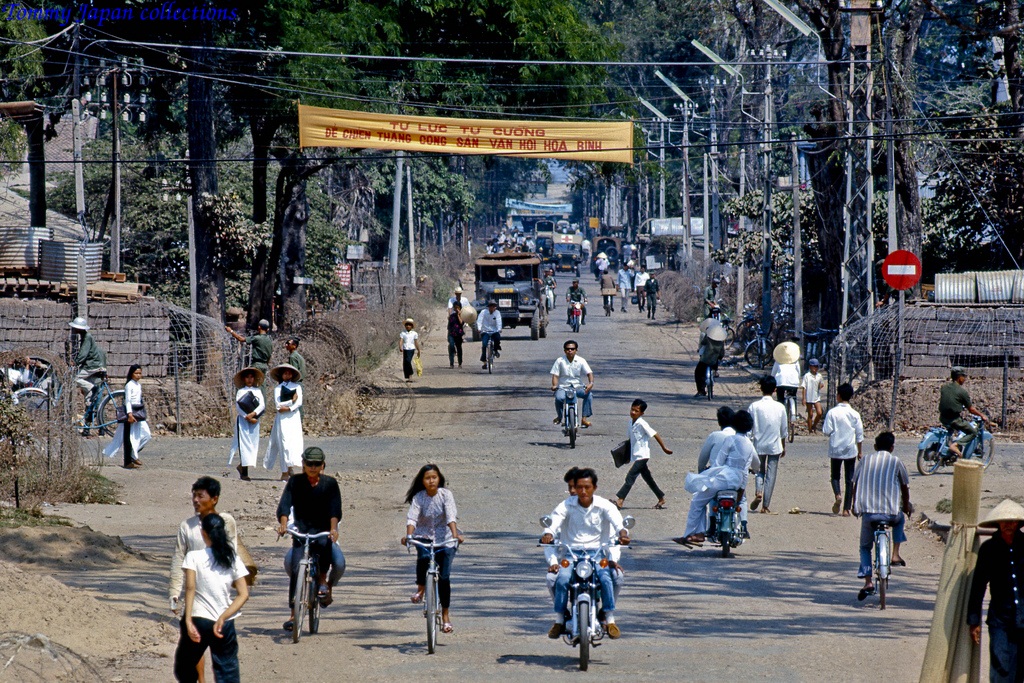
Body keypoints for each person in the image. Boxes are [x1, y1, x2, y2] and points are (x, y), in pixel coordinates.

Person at [541, 468, 629, 639]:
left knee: (608, 577)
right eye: (578, 487)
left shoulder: (605, 506)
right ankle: (559, 619)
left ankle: (609, 618)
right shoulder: (566, 505)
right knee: (561, 578)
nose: (582, 491)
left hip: (597, 555)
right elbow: (554, 521)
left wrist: (623, 534)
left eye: (586, 487)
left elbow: (618, 524)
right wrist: (548, 533)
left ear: (594, 487)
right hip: (570, 555)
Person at [170, 477, 240, 683]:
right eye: (194, 495)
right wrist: (174, 592)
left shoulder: (226, 522)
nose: (195, 500)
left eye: (201, 496)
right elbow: (178, 559)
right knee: (193, 650)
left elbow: (232, 554)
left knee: (221, 659)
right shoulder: (187, 527)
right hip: (195, 597)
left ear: (214, 499)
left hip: (218, 595)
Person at [276, 446, 345, 630]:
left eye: (316, 464)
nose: (313, 467)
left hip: (323, 531)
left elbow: (334, 510)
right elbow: (285, 505)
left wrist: (333, 529)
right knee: (296, 566)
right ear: (303, 464)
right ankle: (293, 614)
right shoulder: (295, 482)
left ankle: (323, 580)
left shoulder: (330, 484)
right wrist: (283, 525)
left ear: (323, 465)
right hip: (302, 531)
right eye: (309, 464)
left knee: (334, 558)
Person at [677, 410, 760, 546]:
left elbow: (719, 462)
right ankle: (740, 527)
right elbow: (756, 464)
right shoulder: (750, 445)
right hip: (738, 482)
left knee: (698, 500)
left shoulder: (731, 439)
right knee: (740, 502)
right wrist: (750, 476)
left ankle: (694, 534)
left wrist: (710, 475)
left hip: (724, 477)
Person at [401, 464, 465, 634]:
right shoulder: (419, 497)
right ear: (422, 481)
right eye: (427, 478)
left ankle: (445, 616)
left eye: (434, 477)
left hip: (445, 539)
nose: (431, 481)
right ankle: (421, 590)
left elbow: (451, 515)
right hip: (424, 537)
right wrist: (409, 536)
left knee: (444, 578)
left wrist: (455, 535)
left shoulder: (446, 495)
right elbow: (412, 518)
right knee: (422, 558)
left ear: (439, 479)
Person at [967, 499, 1024, 683]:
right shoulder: (989, 549)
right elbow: (978, 585)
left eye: (1013, 521)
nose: (1009, 525)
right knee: (1001, 669)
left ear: (1018, 523)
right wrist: (973, 620)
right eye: (1005, 521)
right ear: (998, 523)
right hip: (1000, 620)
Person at [851, 431, 911, 601]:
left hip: (869, 513)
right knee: (900, 519)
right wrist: (906, 507)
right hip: (891, 513)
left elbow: (854, 484)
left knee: (865, 547)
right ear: (892, 447)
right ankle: (895, 554)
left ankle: (868, 581)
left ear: (875, 446)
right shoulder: (896, 461)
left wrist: (855, 506)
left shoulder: (865, 461)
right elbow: (905, 487)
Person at [613, 399, 672, 510]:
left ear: (642, 413)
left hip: (643, 455)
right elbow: (630, 441)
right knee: (648, 478)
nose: (633, 412)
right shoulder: (630, 423)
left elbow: (655, 434)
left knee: (630, 476)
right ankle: (661, 498)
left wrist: (664, 448)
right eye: (632, 409)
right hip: (636, 455)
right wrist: (626, 456)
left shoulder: (642, 423)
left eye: (636, 411)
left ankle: (620, 500)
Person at [822, 383, 864, 516]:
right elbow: (859, 435)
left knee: (835, 476)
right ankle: (846, 509)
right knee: (849, 478)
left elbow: (826, 431)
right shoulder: (855, 414)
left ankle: (838, 495)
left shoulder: (832, 412)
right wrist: (860, 451)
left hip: (836, 448)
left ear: (838, 396)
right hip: (850, 449)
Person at [748, 376, 788, 514]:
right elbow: (784, 430)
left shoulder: (754, 406)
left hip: (758, 444)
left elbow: (749, 428)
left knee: (759, 471)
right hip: (774, 445)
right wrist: (783, 445)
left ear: (761, 388)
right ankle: (765, 505)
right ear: (775, 390)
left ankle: (758, 491)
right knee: (771, 474)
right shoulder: (780, 407)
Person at [103, 364, 151, 468]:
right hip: (131, 413)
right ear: (131, 374)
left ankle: (133, 454)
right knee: (129, 437)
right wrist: (129, 414)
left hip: (138, 413)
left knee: (147, 435)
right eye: (136, 373)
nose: (138, 375)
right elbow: (128, 401)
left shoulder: (138, 385)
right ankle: (128, 461)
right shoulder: (129, 385)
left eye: (140, 373)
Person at [940, 366, 994, 457]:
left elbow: (949, 400)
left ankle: (949, 448)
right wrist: (982, 415)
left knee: (955, 430)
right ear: (959, 377)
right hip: (954, 420)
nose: (964, 379)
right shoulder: (962, 392)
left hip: (943, 417)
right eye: (963, 377)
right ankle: (955, 445)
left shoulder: (944, 387)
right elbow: (971, 409)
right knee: (973, 432)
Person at [264, 364, 303, 480]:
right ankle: (284, 471)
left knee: (293, 443)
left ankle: (290, 466)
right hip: (282, 419)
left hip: (294, 417)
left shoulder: (297, 387)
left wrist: (290, 408)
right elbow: (278, 405)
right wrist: (291, 401)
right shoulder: (278, 388)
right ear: (281, 375)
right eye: (285, 373)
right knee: (283, 443)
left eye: (289, 373)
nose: (287, 375)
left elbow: (299, 402)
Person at [227, 367, 265, 481]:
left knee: (253, 444)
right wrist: (246, 416)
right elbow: (238, 406)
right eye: (247, 377)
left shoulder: (258, 391)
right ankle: (244, 471)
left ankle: (243, 466)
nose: (249, 379)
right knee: (244, 445)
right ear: (244, 379)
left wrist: (254, 414)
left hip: (254, 420)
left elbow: (262, 405)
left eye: (251, 377)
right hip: (243, 421)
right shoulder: (241, 391)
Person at [68, 317, 107, 422]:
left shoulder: (87, 337)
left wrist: (75, 362)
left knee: (74, 379)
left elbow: (83, 353)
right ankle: (87, 427)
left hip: (92, 366)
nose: (74, 330)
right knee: (89, 399)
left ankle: (92, 388)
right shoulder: (84, 337)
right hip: (91, 366)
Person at [550, 339, 594, 428]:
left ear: (576, 350)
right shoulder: (559, 361)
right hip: (563, 387)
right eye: (568, 349)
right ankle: (559, 416)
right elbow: (555, 375)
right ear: (564, 350)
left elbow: (589, 373)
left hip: (578, 386)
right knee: (558, 398)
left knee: (589, 395)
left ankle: (584, 419)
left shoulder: (581, 360)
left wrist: (591, 383)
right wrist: (555, 385)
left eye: (572, 349)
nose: (570, 351)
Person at [225, 319, 272, 389]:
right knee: (262, 386)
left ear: (259, 327)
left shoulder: (257, 338)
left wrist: (231, 331)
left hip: (257, 365)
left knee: (254, 387)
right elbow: (269, 356)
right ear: (267, 329)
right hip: (264, 365)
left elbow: (241, 339)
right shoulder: (269, 340)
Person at [695, 324, 726, 397]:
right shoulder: (721, 341)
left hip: (705, 360)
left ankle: (701, 390)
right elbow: (722, 353)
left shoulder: (708, 337)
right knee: (715, 365)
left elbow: (703, 343)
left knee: (698, 372)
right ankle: (715, 372)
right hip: (714, 361)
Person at [476, 300, 503, 369]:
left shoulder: (497, 313)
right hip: (485, 331)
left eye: (494, 306)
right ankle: (484, 361)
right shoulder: (483, 312)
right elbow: (479, 320)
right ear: (489, 307)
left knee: (497, 338)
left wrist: (499, 329)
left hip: (494, 331)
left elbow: (499, 321)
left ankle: (496, 350)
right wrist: (479, 328)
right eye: (492, 306)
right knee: (484, 345)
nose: (493, 308)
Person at [802, 358, 825, 433]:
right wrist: (804, 398)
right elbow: (804, 387)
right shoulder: (807, 376)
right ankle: (810, 430)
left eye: (816, 366)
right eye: (814, 366)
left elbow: (822, 384)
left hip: (816, 397)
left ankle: (814, 425)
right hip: (809, 397)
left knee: (819, 413)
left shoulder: (819, 376)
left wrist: (819, 386)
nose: (815, 368)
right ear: (810, 367)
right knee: (810, 414)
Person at [447, 302, 465, 369]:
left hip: (458, 334)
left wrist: (458, 315)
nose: (457, 309)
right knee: (451, 346)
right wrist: (448, 336)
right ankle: (451, 363)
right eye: (455, 307)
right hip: (452, 334)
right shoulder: (452, 316)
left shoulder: (463, 316)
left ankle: (460, 363)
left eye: (458, 307)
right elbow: (449, 327)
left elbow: (461, 323)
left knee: (459, 348)